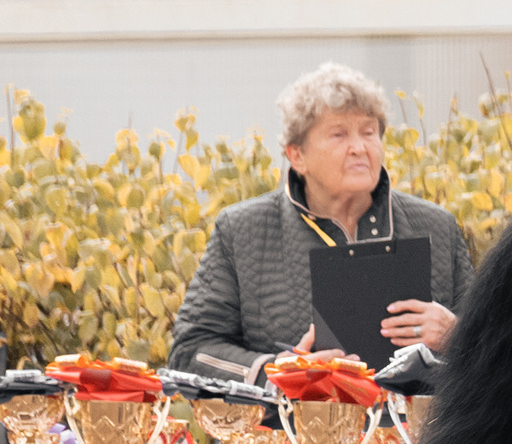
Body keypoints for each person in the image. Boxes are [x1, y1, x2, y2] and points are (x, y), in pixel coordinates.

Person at [171, 63, 473, 385]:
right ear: (297, 155)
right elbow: (190, 351)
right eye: (339, 134)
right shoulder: (241, 231)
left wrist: (456, 334)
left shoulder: (438, 228)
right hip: (290, 433)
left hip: (411, 435)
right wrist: (276, 370)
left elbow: (501, 351)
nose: (359, 147)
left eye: (369, 132)